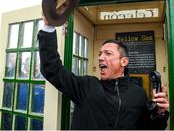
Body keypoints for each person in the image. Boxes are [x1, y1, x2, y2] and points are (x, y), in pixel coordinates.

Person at [38, 16, 169, 129]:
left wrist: (160, 113)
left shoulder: (138, 94)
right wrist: (48, 27)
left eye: (108, 53)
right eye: (100, 53)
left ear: (124, 62)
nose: (100, 57)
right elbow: (52, 69)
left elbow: (148, 128)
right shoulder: (86, 86)